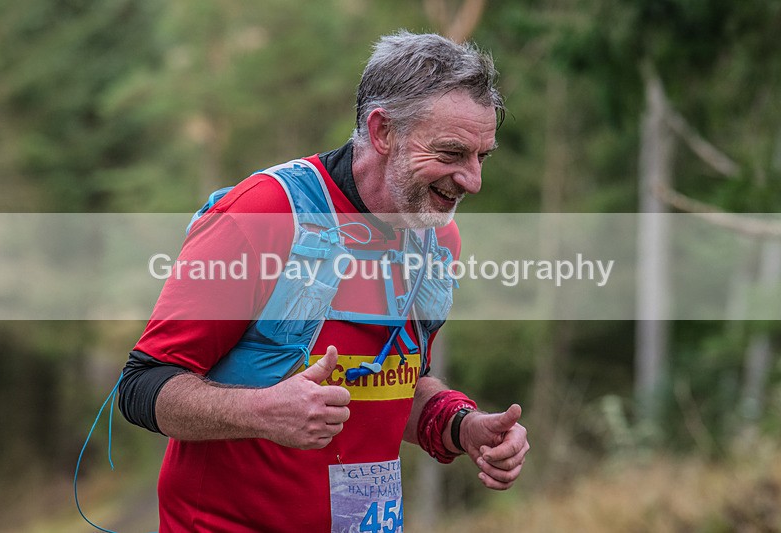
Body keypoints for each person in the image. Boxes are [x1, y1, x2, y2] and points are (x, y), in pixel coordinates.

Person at [119, 30, 529, 532]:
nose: (472, 180)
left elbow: (389, 384)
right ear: (382, 131)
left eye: (480, 157)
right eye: (450, 153)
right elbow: (142, 386)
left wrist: (461, 426)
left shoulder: (435, 238)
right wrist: (260, 412)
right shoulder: (261, 216)